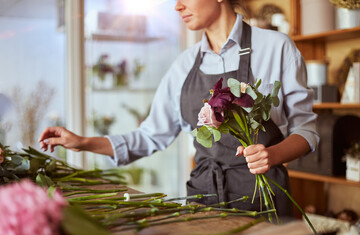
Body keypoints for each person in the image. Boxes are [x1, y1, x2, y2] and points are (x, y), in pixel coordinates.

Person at [39, 0, 319, 218]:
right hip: (204, 199)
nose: (177, 6)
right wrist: (82, 142)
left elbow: (306, 130)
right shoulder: (183, 66)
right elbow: (150, 135)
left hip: (264, 197)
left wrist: (272, 154)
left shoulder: (276, 47)